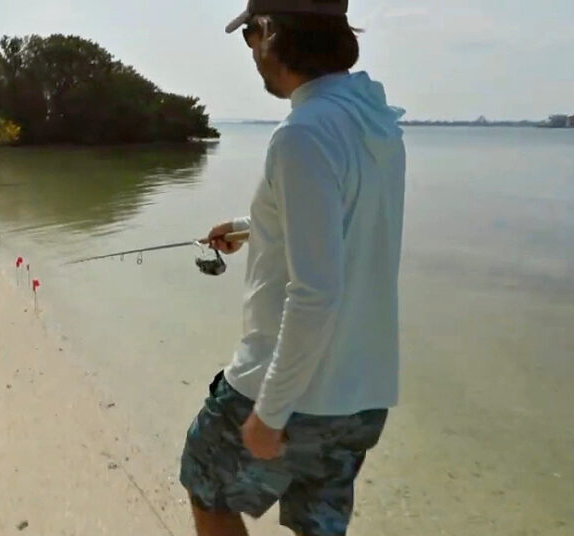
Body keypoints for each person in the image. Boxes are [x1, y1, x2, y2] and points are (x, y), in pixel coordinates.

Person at [179, 2, 406, 535]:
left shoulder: (302, 133)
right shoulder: (376, 121)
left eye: (250, 35)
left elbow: (316, 292)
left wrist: (271, 411)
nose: (252, 52)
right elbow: (345, 221)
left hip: (293, 393)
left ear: (271, 33)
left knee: (205, 481)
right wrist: (253, 226)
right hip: (362, 396)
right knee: (316, 526)